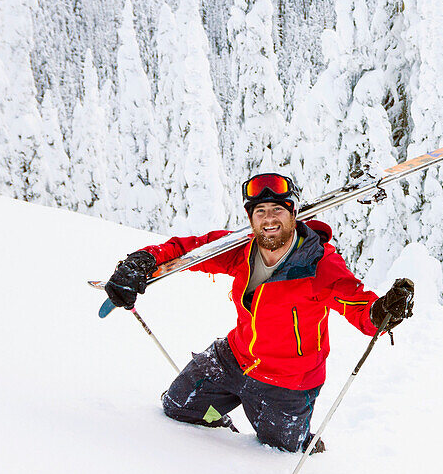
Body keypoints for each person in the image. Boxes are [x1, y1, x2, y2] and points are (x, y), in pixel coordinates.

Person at [104, 172, 414, 454]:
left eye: (278, 209)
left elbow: (357, 303)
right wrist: (141, 261)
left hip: (288, 384)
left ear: (293, 213)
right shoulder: (241, 249)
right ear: (251, 219)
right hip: (233, 360)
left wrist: (381, 312)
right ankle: (219, 417)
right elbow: (188, 250)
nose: (269, 219)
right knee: (181, 408)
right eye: (260, 211)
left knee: (278, 451)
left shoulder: (317, 264)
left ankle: (299, 435)